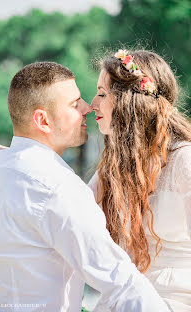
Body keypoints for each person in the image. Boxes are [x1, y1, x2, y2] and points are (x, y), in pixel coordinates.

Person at [0, 61, 170, 312]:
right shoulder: (57, 188)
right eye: (75, 104)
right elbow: (118, 279)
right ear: (43, 120)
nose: (87, 108)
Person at [88, 49, 191, 312]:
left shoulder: (184, 160)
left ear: (128, 100)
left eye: (102, 93)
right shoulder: (112, 169)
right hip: (127, 298)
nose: (92, 104)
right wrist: (22, 160)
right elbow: (66, 208)